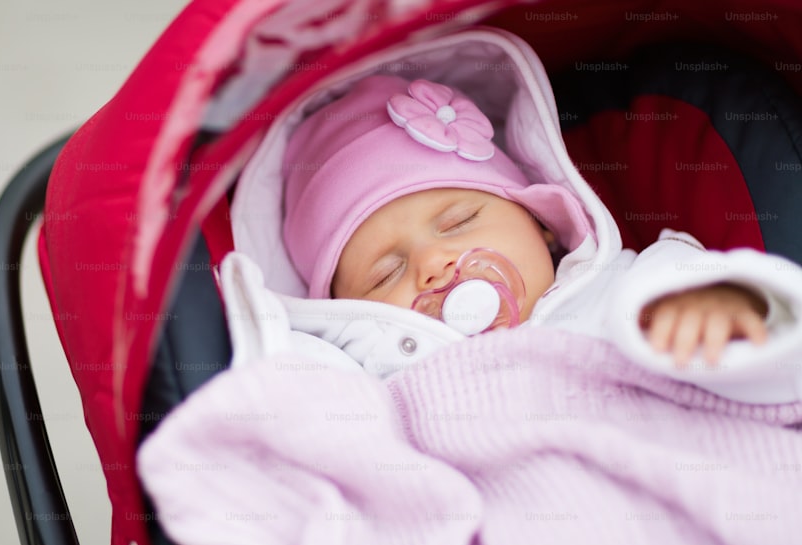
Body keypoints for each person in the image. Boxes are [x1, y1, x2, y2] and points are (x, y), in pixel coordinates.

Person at [266, 74, 798, 400]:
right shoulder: (371, 380)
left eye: (458, 222)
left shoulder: (637, 287)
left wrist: (727, 311)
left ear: (540, 224)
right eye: (386, 273)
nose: (434, 263)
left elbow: (783, 366)